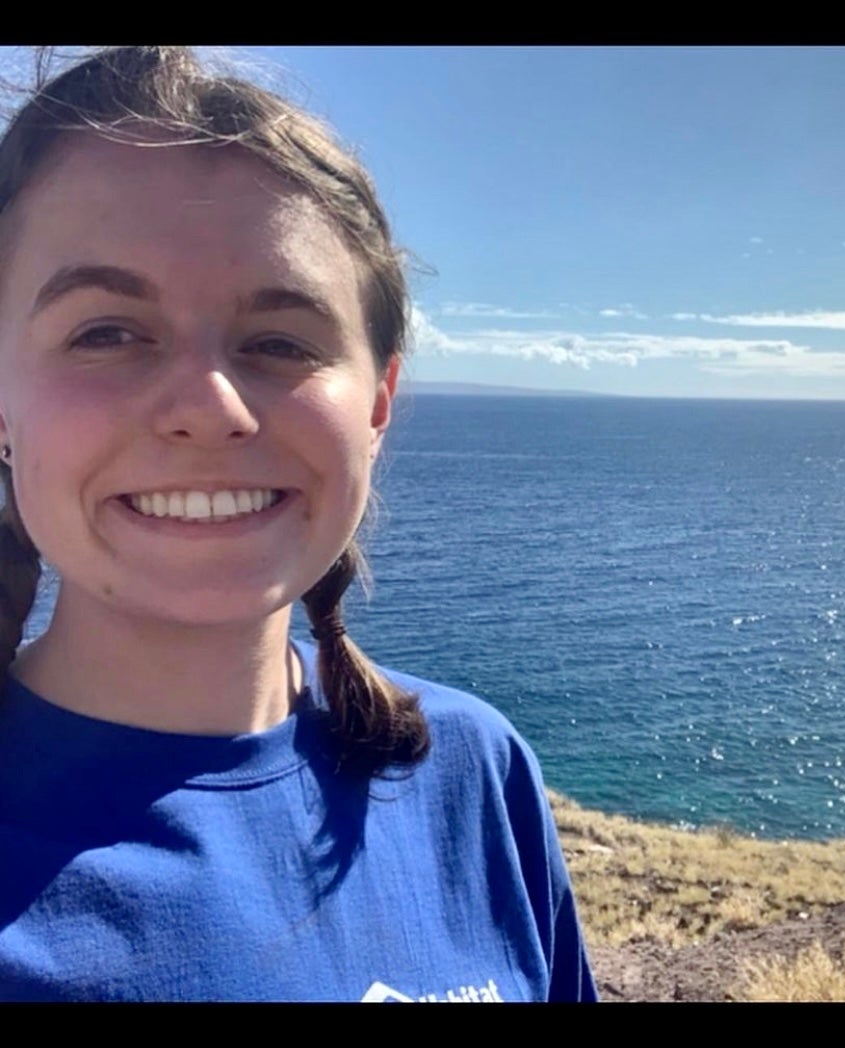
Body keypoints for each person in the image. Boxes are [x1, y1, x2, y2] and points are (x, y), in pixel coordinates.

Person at [0, 46, 597, 1003]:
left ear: (380, 400)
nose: (210, 406)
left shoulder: (472, 774)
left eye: (282, 341)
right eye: (105, 331)